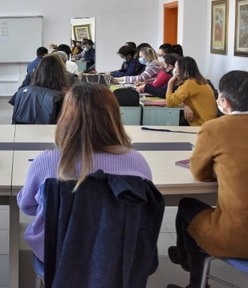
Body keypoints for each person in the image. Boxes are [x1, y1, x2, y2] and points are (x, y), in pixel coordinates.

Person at [166, 71, 248, 288]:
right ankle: (184, 255)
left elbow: (198, 173)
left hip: (240, 237)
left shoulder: (214, 128)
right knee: (197, 212)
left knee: (187, 206)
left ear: (223, 101)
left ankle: (194, 278)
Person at [17, 82, 152, 262]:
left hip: (57, 252)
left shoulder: (46, 161)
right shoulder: (136, 162)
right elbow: (142, 206)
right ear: (114, 117)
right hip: (115, 255)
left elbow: (27, 206)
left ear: (65, 117)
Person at [165, 57, 217, 126]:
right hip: (208, 122)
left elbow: (169, 102)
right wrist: (185, 105)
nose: (175, 70)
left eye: (176, 67)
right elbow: (179, 98)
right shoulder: (199, 80)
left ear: (182, 70)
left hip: (200, 124)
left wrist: (170, 82)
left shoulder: (190, 84)